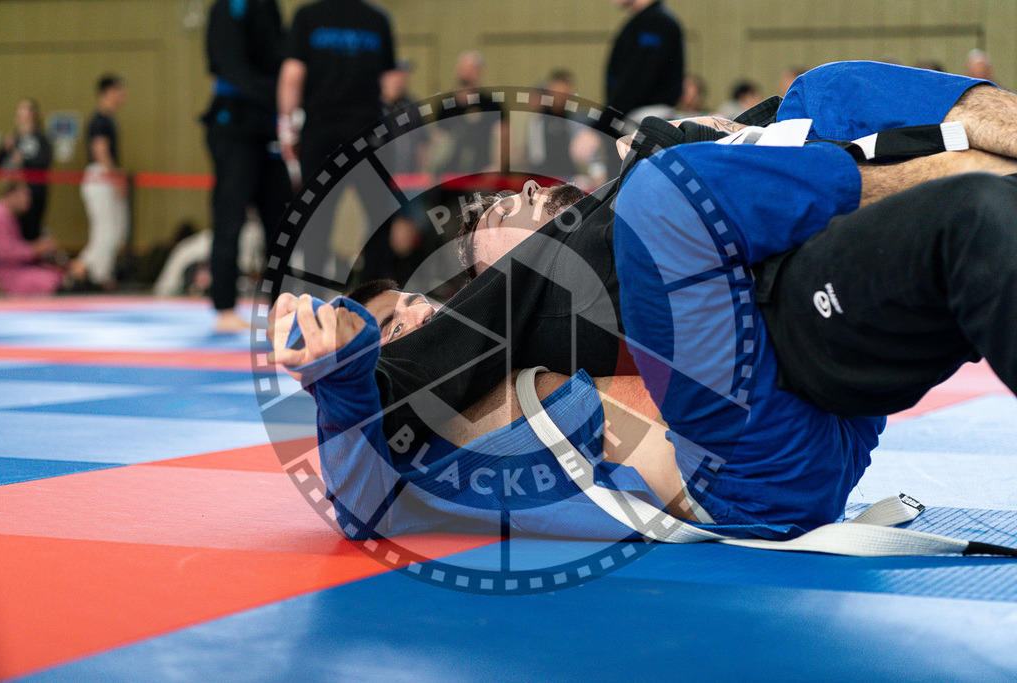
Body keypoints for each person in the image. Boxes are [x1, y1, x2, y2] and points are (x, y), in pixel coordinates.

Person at [271, 61, 1017, 539]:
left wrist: (734, 140)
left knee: (853, 116)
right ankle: (949, 172)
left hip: (809, 347)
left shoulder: (615, 219)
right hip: (749, 467)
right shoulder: (469, 376)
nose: (521, 192)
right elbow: (361, 494)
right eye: (398, 320)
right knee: (666, 197)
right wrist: (338, 376)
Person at [278, 0, 396, 284]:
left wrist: (287, 131)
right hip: (366, 131)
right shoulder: (378, 18)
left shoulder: (307, 16)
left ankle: (314, 300)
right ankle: (373, 297)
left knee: (316, 220)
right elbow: (391, 85)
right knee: (379, 217)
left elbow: (292, 77)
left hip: (321, 132)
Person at [203, 0, 292, 332]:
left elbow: (280, 58)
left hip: (267, 123)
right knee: (230, 213)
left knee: (281, 217)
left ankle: (279, 305)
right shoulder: (229, 7)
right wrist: (279, 93)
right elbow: (230, 65)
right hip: (234, 122)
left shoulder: (268, 7)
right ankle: (224, 306)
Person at [72, 74, 127, 291]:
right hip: (100, 177)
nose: (123, 95)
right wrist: (115, 179)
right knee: (105, 232)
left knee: (114, 232)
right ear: (109, 91)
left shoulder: (107, 119)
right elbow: (100, 151)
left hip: (104, 177)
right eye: (120, 90)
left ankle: (98, 274)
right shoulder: (99, 121)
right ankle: (80, 271)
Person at [605, 0, 684, 123]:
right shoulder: (643, 22)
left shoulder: (657, 24)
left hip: (646, 122)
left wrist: (603, 124)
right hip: (633, 120)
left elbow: (635, 83)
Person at [0, 99, 53, 242]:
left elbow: (43, 162)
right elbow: (1, 162)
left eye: (26, 112)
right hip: (12, 191)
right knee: (11, 228)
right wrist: (5, 148)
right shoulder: (13, 137)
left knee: (31, 230)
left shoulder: (41, 139)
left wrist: (23, 159)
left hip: (34, 192)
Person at [0, 184, 64, 295]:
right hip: (3, 273)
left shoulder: (5, 214)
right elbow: (4, 252)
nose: (29, 200)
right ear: (11, 194)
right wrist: (35, 249)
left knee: (53, 272)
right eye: (25, 195)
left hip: (9, 270)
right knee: (50, 280)